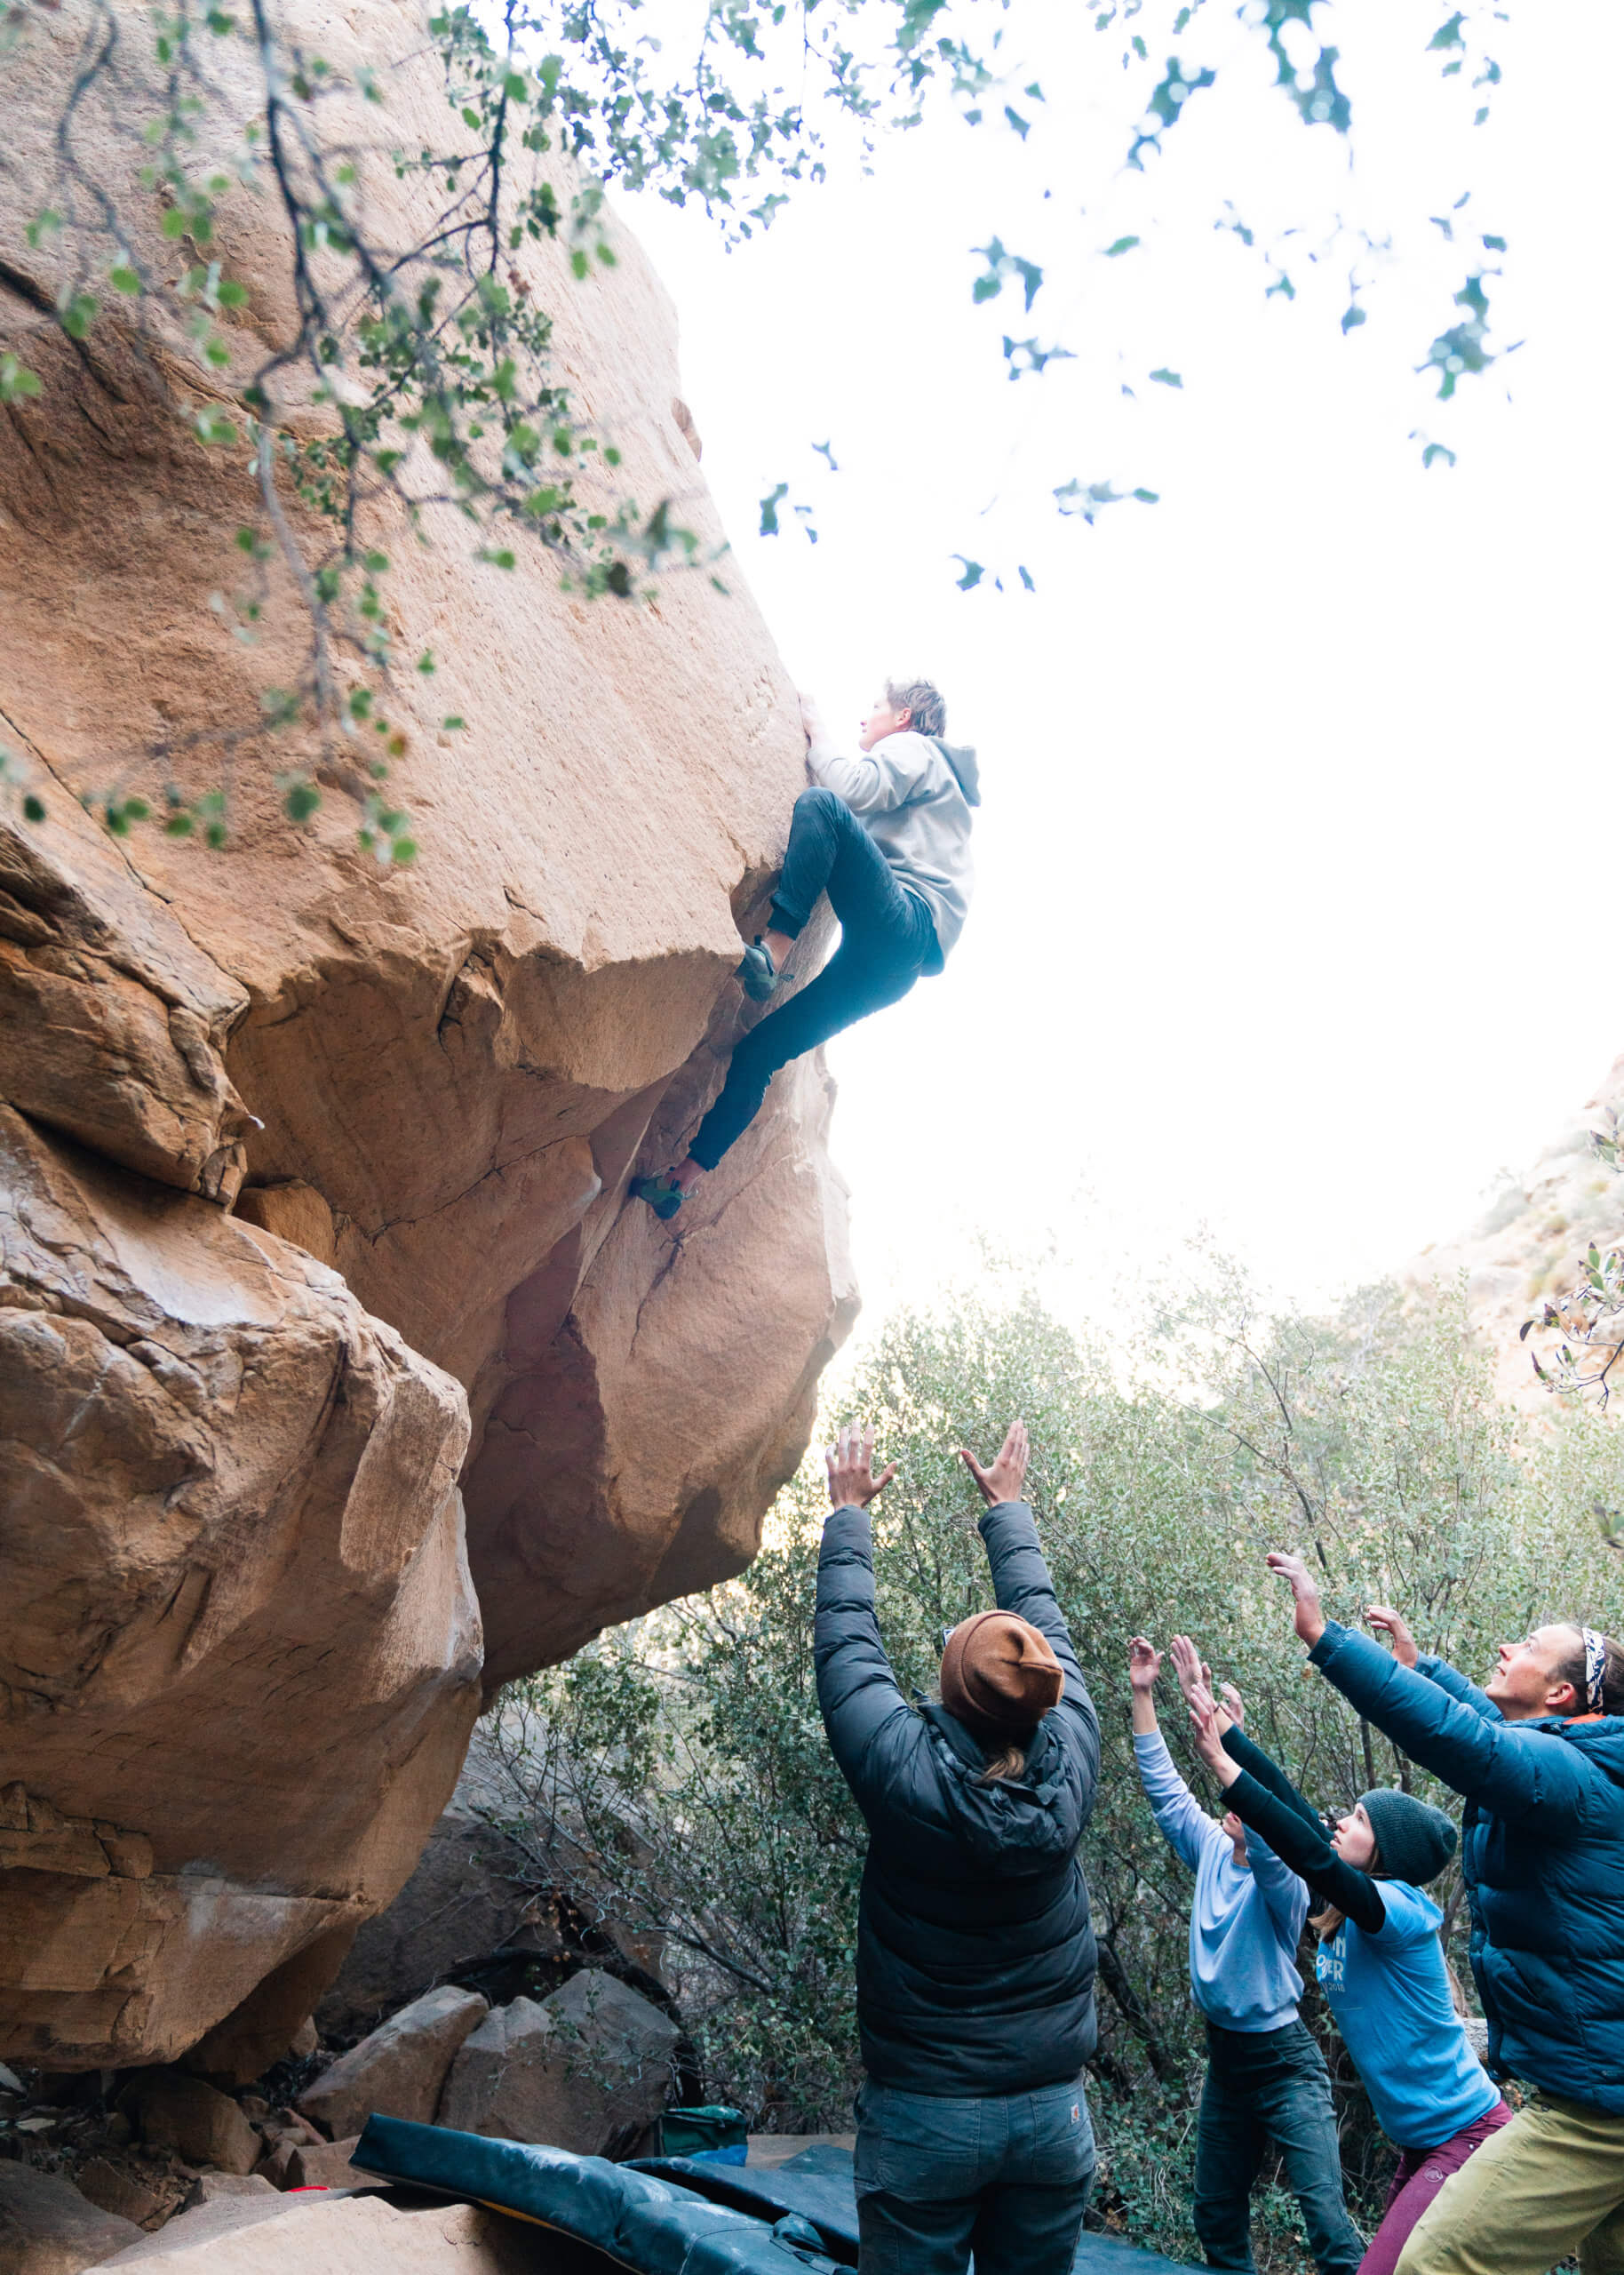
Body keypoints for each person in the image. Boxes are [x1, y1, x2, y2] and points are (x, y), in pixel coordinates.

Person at [1264, 1551, 1624, 2275]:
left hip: (1597, 2112)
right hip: (1597, 2091)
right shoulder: (1577, 1765)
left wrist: (1326, 1637)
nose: (1504, 1648)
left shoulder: (1573, 1778)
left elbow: (1472, 1746)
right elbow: (1488, 1737)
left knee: (1436, 2262)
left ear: (1560, 1694)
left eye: (1525, 1646)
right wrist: (1419, 1669)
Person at [814, 1417, 1099, 2275]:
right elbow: (1044, 1628)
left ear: (948, 1691)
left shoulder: (903, 1772)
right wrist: (1008, 1513)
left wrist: (848, 1513)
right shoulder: (1075, 1755)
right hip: (1053, 2119)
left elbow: (848, 1645)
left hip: (924, 2117)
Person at [1181, 1641, 1509, 2275]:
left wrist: (1227, 1772)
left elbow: (1308, 1852)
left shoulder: (1403, 1911)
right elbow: (1297, 1815)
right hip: (1417, 2144)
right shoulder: (1341, 1911)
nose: (1340, 1820)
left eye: (1357, 1817)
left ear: (1387, 1847)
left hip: (1465, 2134)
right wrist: (1229, 1738)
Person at [632, 681, 978, 1217]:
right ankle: (683, 1180)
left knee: (820, 803)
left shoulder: (916, 748)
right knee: (758, 1053)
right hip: (892, 963)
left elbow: (850, 791)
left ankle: (775, 949)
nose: (867, 717)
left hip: (903, 921)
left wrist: (817, 730)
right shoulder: (937, 791)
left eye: (876, 707)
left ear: (904, 716)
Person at [1127, 1637, 1363, 2275]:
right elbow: (1162, 1784)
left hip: (1284, 2062)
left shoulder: (1280, 1878)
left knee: (1327, 2227)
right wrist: (1145, 1693)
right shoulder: (1207, 1847)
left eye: (1248, 1801)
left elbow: (1263, 1825)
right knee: (1216, 2216)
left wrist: (1226, 1741)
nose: (1236, 1807)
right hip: (1228, 2062)